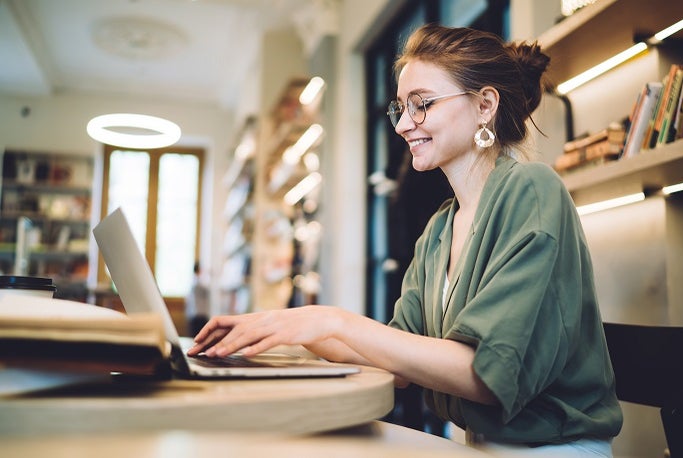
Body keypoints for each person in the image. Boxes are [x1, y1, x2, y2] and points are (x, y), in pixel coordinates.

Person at [189, 24, 623, 456]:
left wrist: (335, 321)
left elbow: (484, 376)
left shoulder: (532, 189)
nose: (403, 126)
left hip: (554, 449)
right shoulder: (439, 229)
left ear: (485, 105)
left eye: (422, 105)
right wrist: (285, 328)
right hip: (479, 444)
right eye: (400, 109)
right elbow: (396, 363)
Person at [185, 261, 210, 337]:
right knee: (199, 336)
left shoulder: (192, 281)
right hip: (199, 315)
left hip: (193, 314)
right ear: (199, 270)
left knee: (194, 336)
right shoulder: (198, 282)